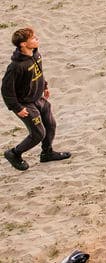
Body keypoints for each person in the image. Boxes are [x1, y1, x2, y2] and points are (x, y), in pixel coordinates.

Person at [3, 28, 71, 171]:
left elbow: (39, 72)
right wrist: (17, 108)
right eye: (33, 38)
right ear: (23, 44)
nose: (36, 39)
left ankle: (47, 153)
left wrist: (44, 86)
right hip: (24, 104)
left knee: (50, 125)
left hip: (38, 98)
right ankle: (14, 153)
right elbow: (6, 90)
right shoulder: (16, 67)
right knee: (38, 134)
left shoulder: (36, 54)